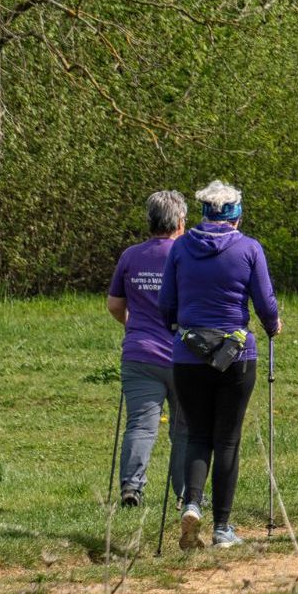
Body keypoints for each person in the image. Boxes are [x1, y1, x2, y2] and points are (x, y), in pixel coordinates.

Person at [160, 181, 280, 551]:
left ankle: (192, 504)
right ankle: (222, 528)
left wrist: (179, 327)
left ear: (204, 214)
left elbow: (166, 304)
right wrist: (274, 325)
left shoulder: (180, 247)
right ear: (237, 217)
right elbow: (265, 303)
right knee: (227, 439)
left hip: (188, 354)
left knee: (197, 434)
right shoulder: (248, 248)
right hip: (236, 355)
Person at [108, 190, 188, 508]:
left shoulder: (131, 256)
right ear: (180, 222)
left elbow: (115, 304)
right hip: (183, 356)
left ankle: (131, 487)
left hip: (139, 354)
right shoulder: (187, 255)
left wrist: (132, 326)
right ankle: (186, 495)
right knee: (184, 428)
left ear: (150, 220)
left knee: (141, 425)